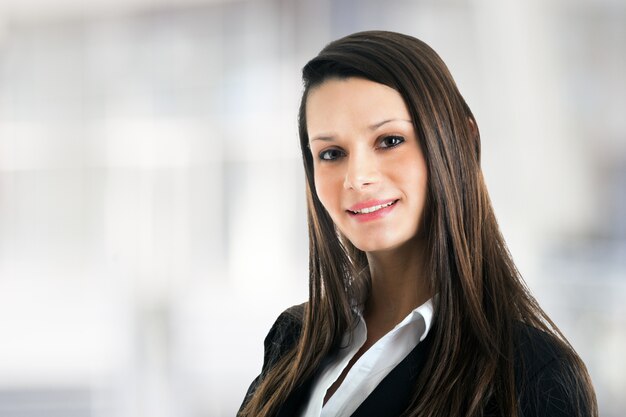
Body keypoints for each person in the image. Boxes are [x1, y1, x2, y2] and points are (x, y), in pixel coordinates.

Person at [237, 30, 598, 417]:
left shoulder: (531, 375)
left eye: (389, 140)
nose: (357, 178)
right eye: (331, 153)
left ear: (463, 138)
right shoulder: (293, 336)